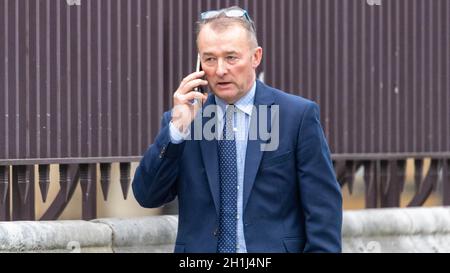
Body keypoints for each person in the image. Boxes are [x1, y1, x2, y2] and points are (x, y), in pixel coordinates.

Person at [132, 6, 342, 253]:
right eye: (210, 58)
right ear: (199, 62)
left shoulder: (296, 116)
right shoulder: (185, 122)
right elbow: (147, 196)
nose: (220, 70)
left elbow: (323, 209)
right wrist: (177, 129)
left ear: (256, 57)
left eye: (231, 57)